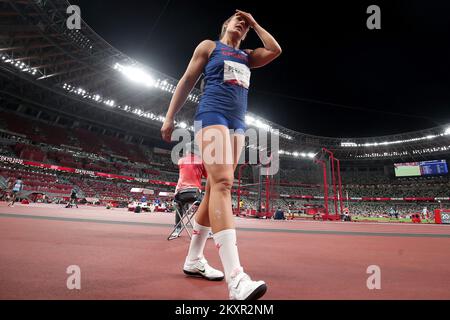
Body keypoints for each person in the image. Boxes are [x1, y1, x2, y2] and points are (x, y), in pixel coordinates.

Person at [161, 10, 281, 300]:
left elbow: (275, 50)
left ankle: (193, 259)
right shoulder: (209, 46)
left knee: (216, 186)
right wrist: (169, 117)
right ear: (225, 25)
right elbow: (187, 79)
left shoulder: (249, 56)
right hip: (211, 114)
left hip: (238, 122)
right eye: (236, 20)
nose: (241, 23)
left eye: (245, 23)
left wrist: (253, 22)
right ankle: (237, 279)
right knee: (224, 183)